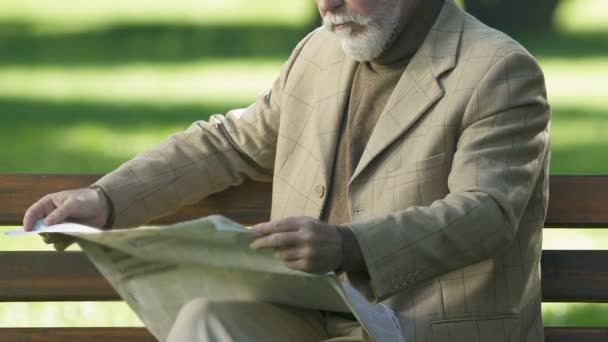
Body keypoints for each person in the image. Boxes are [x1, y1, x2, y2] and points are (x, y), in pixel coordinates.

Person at [23, 0, 551, 341]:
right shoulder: (320, 51)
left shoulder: (498, 69)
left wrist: (348, 246)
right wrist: (107, 200)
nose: (328, 5)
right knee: (207, 321)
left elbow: (487, 213)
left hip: (418, 329)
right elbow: (230, 142)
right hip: (308, 315)